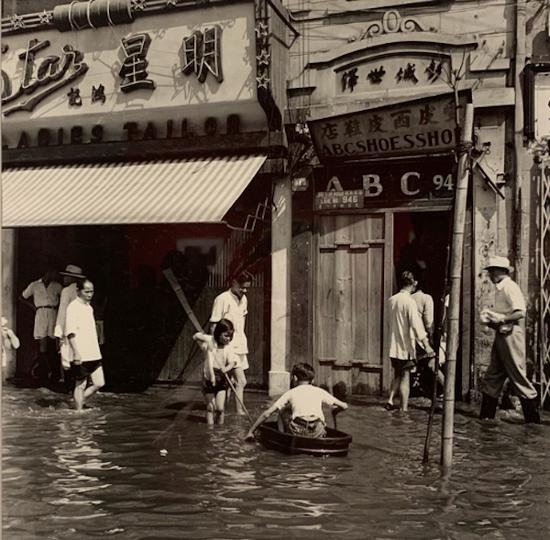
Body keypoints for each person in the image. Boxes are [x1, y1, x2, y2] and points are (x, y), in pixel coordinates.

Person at [479, 256, 540, 423]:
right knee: (493, 376)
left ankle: (533, 421)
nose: (490, 274)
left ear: (500, 271)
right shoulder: (500, 289)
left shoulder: (509, 287)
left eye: (491, 271)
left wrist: (501, 319)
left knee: (518, 376)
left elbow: (520, 312)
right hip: (502, 334)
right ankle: (486, 417)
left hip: (511, 335)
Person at [245, 363, 348, 441]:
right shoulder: (319, 391)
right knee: (318, 420)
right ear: (312, 380)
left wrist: (250, 431)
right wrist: (335, 411)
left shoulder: (291, 392)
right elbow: (344, 406)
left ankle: (283, 437)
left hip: (298, 432)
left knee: (282, 411)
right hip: (317, 432)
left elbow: (267, 414)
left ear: (294, 378)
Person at [385, 271, 434, 412]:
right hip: (405, 346)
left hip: (393, 345)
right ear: (414, 284)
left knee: (397, 374)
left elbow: (389, 323)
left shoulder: (391, 300)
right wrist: (426, 345)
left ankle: (390, 400)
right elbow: (417, 326)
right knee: (406, 376)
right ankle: (404, 409)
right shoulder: (410, 302)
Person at [210, 271, 252, 415]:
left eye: (247, 288)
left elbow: (242, 322)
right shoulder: (222, 299)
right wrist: (215, 348)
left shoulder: (244, 299)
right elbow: (214, 325)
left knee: (230, 383)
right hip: (227, 347)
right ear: (234, 282)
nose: (244, 291)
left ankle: (223, 413)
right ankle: (239, 414)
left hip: (240, 345)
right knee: (241, 381)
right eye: (242, 287)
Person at [65, 278, 105, 412]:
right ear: (78, 291)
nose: (89, 294)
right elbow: (70, 332)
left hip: (93, 352)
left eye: (91, 292)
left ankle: (77, 402)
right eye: (86, 291)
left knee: (99, 383)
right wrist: (76, 352)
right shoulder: (73, 307)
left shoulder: (89, 308)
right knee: (80, 384)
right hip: (81, 353)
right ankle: (78, 411)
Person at [20, 269, 63, 381]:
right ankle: (42, 372)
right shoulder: (34, 285)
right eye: (52, 272)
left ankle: (55, 373)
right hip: (40, 313)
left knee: (54, 342)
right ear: (46, 272)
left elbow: (64, 299)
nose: (54, 274)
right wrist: (34, 307)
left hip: (53, 312)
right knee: (42, 342)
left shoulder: (57, 286)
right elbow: (22, 297)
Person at [193, 319, 238, 425]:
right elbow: (196, 336)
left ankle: (220, 430)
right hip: (209, 377)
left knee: (220, 409)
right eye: (226, 336)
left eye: (230, 336)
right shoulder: (211, 341)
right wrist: (204, 341)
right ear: (218, 334)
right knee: (210, 408)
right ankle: (210, 430)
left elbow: (232, 363)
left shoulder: (229, 347)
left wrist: (226, 369)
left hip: (222, 378)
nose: (228, 339)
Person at [412, 279, 445, 394]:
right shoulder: (426, 298)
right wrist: (430, 338)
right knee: (432, 363)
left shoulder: (409, 298)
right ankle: (448, 390)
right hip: (421, 337)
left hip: (410, 337)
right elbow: (429, 322)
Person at [54, 264, 86, 375]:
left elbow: (62, 313)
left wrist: (59, 332)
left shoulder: (66, 291)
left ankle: (69, 387)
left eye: (66, 276)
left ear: (73, 278)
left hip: (69, 327)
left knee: (67, 356)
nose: (64, 279)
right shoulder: (83, 290)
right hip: (81, 328)